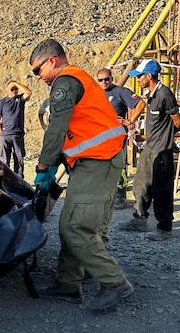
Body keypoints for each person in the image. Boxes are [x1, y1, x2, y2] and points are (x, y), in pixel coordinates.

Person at [29, 38, 133, 312]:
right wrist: (59, 163)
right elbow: (78, 132)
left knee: (76, 227)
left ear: (51, 61)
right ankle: (68, 283)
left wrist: (44, 167)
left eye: (37, 71)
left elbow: (56, 129)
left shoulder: (65, 82)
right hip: (95, 162)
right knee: (74, 222)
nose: (39, 78)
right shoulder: (78, 80)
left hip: (98, 162)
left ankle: (114, 282)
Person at [119, 59, 180, 241]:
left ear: (149, 76)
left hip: (161, 150)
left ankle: (165, 228)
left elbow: (177, 122)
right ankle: (139, 219)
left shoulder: (165, 94)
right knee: (141, 184)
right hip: (150, 148)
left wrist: (167, 139)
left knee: (161, 189)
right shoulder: (152, 95)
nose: (138, 80)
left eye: (140, 77)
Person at [96, 67, 146, 208]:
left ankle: (120, 195)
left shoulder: (120, 92)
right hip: (100, 137)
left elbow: (141, 103)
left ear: (111, 78)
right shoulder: (96, 94)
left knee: (119, 166)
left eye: (107, 79)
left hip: (117, 137)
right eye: (101, 80)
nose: (104, 82)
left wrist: (130, 120)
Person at [0, 80, 32, 177]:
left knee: (18, 160)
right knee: (4, 160)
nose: (14, 91)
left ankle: (19, 181)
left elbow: (28, 92)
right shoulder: (2, 102)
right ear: (7, 89)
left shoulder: (20, 100)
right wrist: (1, 133)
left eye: (15, 89)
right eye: (12, 88)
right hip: (5, 135)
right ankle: (5, 181)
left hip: (17, 135)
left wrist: (16, 83)